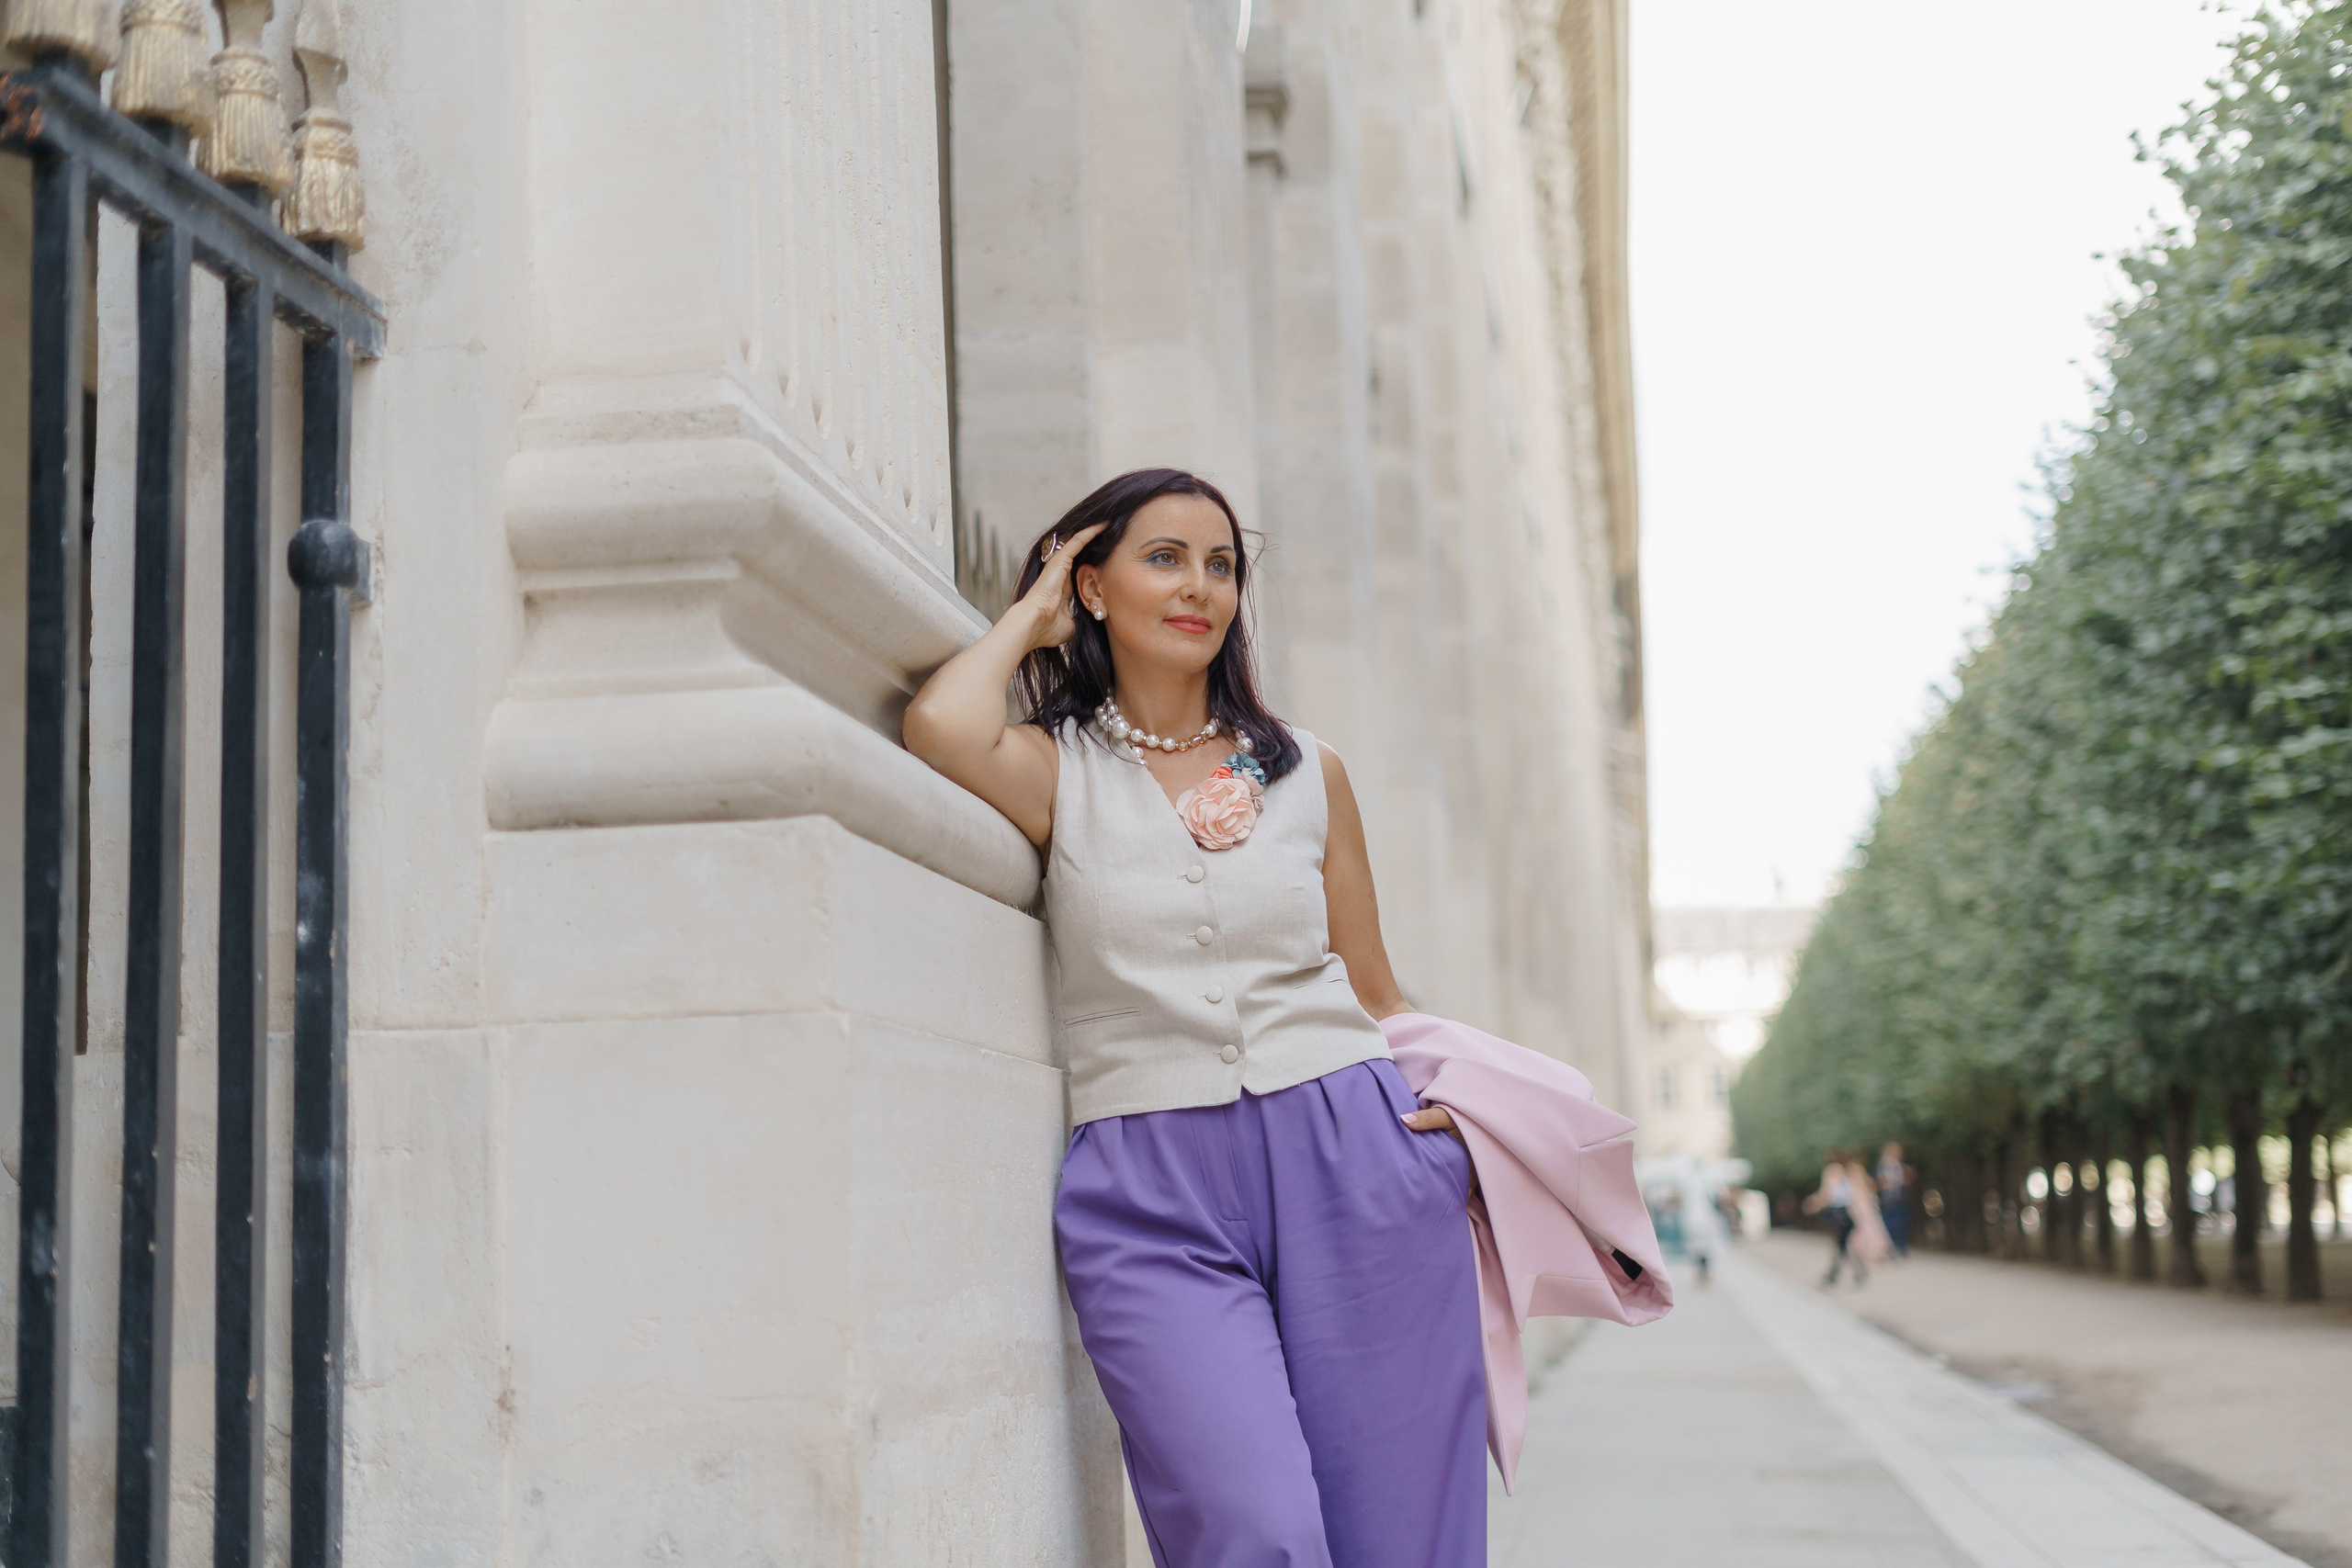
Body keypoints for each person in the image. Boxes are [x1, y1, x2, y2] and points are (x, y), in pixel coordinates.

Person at [902, 469, 1487, 1568]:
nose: (1201, 588)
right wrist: (1029, 615)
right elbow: (940, 723)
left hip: (1354, 1158)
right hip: (1149, 1189)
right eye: (1163, 558)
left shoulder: (1310, 770)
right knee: (1250, 1530)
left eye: (1221, 565)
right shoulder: (1055, 771)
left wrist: (1443, 1132)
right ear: (1093, 585)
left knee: (1401, 1541)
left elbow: (1375, 992)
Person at [1802, 1147, 1891, 1287]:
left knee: (1842, 1243)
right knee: (1844, 1243)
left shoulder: (1832, 1171)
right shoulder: (1849, 1171)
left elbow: (1827, 1194)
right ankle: (1849, 1273)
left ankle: (1840, 1273)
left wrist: (1814, 1204)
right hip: (1849, 1212)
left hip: (1840, 1212)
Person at [1877, 1141, 1915, 1258]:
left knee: (1901, 1225)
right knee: (1888, 1225)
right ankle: (1889, 1248)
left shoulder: (1902, 1166)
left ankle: (1901, 1248)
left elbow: (1908, 1181)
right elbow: (1877, 1183)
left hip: (1900, 1200)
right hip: (1886, 1200)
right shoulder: (1881, 1167)